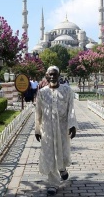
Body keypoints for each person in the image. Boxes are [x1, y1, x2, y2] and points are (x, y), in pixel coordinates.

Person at [35, 66, 77, 196]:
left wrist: (72, 125)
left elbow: (71, 108)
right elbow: (38, 112)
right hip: (47, 128)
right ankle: (53, 183)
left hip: (62, 127)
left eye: (55, 74)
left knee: (62, 151)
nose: (52, 77)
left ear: (59, 75)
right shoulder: (42, 92)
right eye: (50, 75)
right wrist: (37, 129)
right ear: (47, 76)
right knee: (49, 153)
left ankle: (62, 168)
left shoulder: (67, 90)